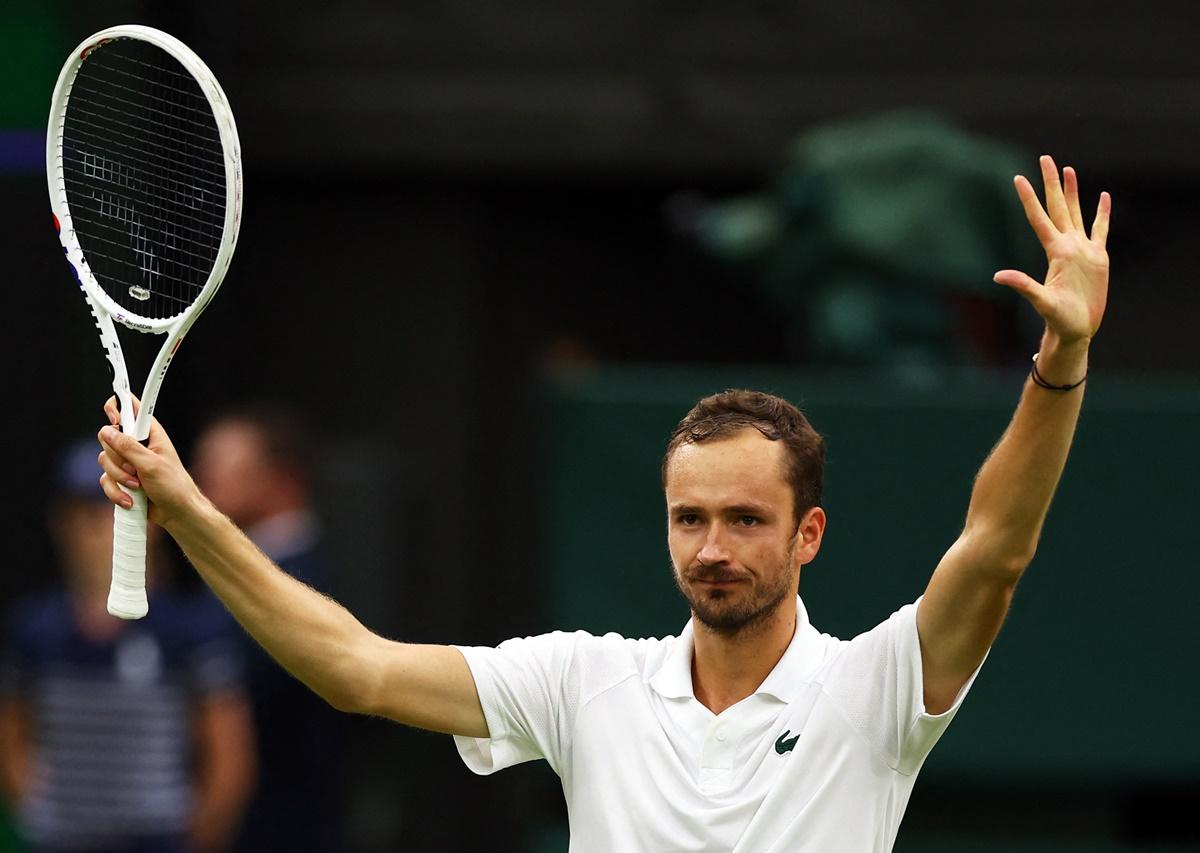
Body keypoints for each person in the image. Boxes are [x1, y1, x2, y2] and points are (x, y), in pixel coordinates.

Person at [93, 156, 1110, 851]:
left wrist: (1060, 359)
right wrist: (187, 511)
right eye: (690, 518)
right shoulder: (586, 683)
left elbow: (995, 547)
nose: (713, 547)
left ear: (809, 535)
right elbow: (357, 670)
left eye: (746, 520)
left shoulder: (876, 690)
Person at [0, 440, 256, 853]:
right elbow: (11, 736)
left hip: (158, 840)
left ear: (152, 524)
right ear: (60, 522)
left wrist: (197, 837)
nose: (103, 527)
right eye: (88, 512)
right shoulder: (32, 630)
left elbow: (229, 756)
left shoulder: (191, 630)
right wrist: (40, 814)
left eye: (121, 508)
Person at [190, 405, 344, 853]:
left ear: (280, 478)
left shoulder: (311, 581)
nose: (200, 479)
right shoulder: (218, 575)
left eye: (220, 466)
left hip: (285, 826)